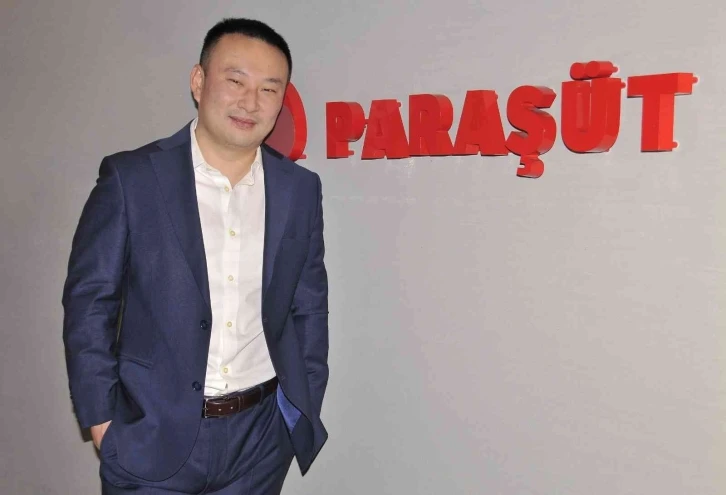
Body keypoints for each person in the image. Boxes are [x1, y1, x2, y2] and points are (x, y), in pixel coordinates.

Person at [62, 17, 329, 494]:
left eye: (269, 89)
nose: (251, 102)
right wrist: (102, 420)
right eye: (236, 81)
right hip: (152, 435)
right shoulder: (132, 179)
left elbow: (308, 307)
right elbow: (89, 302)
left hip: (260, 440)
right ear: (199, 81)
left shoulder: (300, 190)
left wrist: (302, 403)